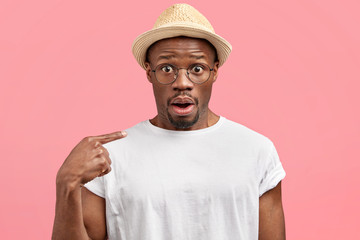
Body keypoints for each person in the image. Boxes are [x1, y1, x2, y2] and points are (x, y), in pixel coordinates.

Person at [52, 3, 286, 240]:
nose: (182, 82)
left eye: (197, 68)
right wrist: (66, 184)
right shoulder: (110, 156)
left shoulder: (256, 150)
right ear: (148, 72)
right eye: (166, 68)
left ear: (215, 72)